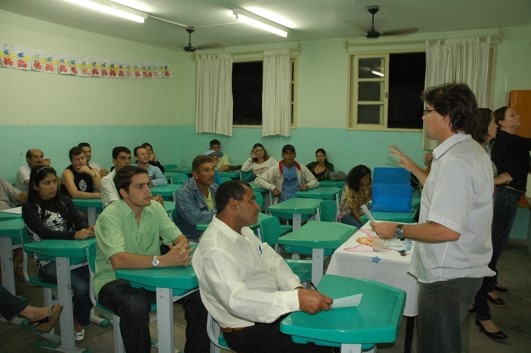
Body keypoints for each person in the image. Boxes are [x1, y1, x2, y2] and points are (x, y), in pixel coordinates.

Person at [370, 83, 495, 353]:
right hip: (462, 269)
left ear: (447, 117)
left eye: (428, 111)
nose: (423, 117)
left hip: (446, 274)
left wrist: (397, 229)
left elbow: (446, 230)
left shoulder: (454, 163)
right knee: (447, 341)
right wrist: (412, 167)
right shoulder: (469, 151)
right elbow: (444, 194)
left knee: (437, 345)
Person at [192, 180, 333, 353]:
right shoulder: (214, 249)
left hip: (272, 312)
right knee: (318, 344)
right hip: (248, 330)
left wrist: (296, 288)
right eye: (251, 201)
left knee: (327, 328)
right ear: (233, 205)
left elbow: (273, 260)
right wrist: (294, 300)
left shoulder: (243, 231)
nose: (258, 206)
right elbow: (237, 301)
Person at [94, 165, 209, 353]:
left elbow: (179, 237)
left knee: (201, 295)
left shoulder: (154, 208)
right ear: (123, 192)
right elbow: (118, 261)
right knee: (135, 305)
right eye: (140, 187)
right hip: (114, 281)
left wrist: (180, 249)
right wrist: (163, 260)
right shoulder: (110, 216)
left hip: (152, 278)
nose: (148, 190)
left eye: (147, 184)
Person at [23, 165, 94, 341]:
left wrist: (86, 229)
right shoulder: (29, 207)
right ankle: (79, 322)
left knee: (97, 279)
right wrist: (74, 235)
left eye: (55, 181)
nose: (53, 186)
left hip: (74, 258)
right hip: (49, 263)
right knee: (83, 286)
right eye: (47, 183)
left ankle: (81, 314)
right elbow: (44, 232)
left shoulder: (64, 201)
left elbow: (79, 219)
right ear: (35, 186)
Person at [468, 108, 513, 339]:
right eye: (493, 122)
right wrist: (499, 179)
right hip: (479, 218)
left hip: (487, 213)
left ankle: (478, 304)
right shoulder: (475, 152)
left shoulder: (484, 149)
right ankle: (483, 315)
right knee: (486, 261)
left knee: (486, 261)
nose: (497, 125)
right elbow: (476, 187)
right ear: (482, 126)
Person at [488, 106, 531, 304]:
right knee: (496, 242)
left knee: (499, 241)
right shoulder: (507, 139)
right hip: (505, 195)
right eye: (512, 115)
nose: (518, 115)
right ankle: (486, 287)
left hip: (510, 196)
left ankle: (491, 280)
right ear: (501, 123)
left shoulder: (514, 142)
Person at [174, 155, 218, 241]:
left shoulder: (215, 187)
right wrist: (222, 215)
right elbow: (195, 218)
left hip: (212, 233)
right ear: (195, 174)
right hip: (192, 238)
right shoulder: (184, 193)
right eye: (206, 171)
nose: (212, 174)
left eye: (212, 169)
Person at [337, 165, 372, 229]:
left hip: (363, 211)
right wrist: (363, 224)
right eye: (365, 179)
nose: (368, 181)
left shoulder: (367, 184)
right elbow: (354, 210)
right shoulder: (349, 189)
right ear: (358, 179)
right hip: (348, 214)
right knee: (362, 229)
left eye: (369, 178)